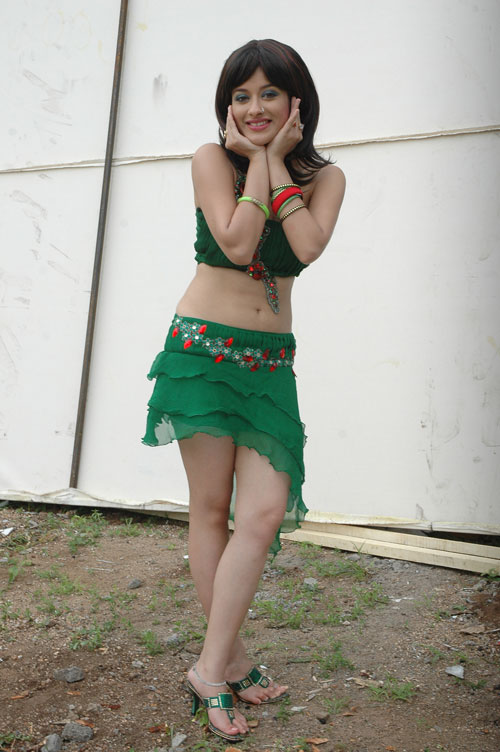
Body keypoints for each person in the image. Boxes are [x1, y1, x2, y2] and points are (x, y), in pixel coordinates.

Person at [142, 38, 345, 743]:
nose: (255, 107)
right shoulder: (210, 160)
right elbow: (235, 240)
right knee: (210, 509)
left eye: (269, 93)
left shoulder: (326, 177)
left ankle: (216, 664)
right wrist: (257, 161)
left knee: (260, 514)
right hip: (202, 351)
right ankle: (220, 665)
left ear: (297, 102)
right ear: (227, 105)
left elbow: (307, 245)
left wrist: (274, 162)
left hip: (268, 364)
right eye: (241, 95)